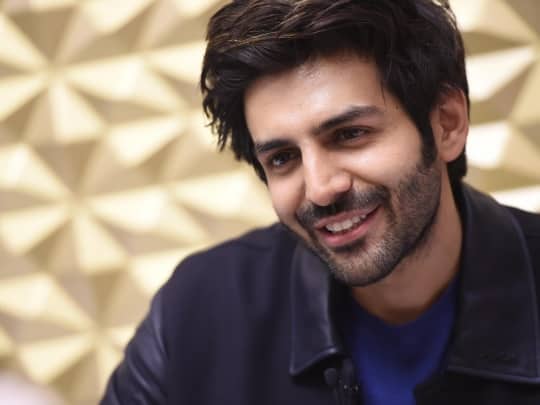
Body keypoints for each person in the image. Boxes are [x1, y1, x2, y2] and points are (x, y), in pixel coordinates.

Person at [101, 1, 540, 404]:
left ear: (447, 123)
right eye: (282, 158)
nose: (320, 189)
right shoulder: (198, 311)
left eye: (350, 135)